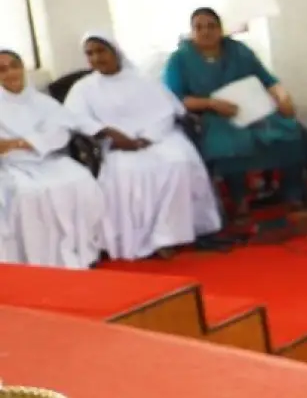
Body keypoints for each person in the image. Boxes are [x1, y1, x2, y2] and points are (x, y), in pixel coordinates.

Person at [60, 32, 223, 260]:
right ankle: (142, 239)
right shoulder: (83, 88)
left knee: (178, 162)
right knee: (128, 172)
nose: (96, 58)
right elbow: (74, 118)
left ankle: (170, 235)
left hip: (158, 137)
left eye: (101, 51)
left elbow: (168, 111)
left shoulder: (143, 80)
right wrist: (108, 132)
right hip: (116, 145)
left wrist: (147, 138)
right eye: (90, 53)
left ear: (115, 51)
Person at [162, 7, 307, 212]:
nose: (205, 32)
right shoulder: (179, 59)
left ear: (220, 29)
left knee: (291, 131)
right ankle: (240, 198)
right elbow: (174, 99)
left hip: (252, 110)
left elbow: (268, 80)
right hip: (211, 115)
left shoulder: (238, 50)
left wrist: (283, 97)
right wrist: (210, 104)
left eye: (211, 26)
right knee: (231, 142)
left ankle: (292, 191)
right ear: (192, 31)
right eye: (199, 27)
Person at [0, 48, 107, 268]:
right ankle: (37, 260)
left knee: (80, 180)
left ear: (22, 69)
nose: (10, 73)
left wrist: (20, 143)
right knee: (28, 194)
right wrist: (27, 144)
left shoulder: (42, 101)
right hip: (12, 166)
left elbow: (61, 132)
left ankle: (80, 248)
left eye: (14, 66)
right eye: (1, 70)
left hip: (49, 159)